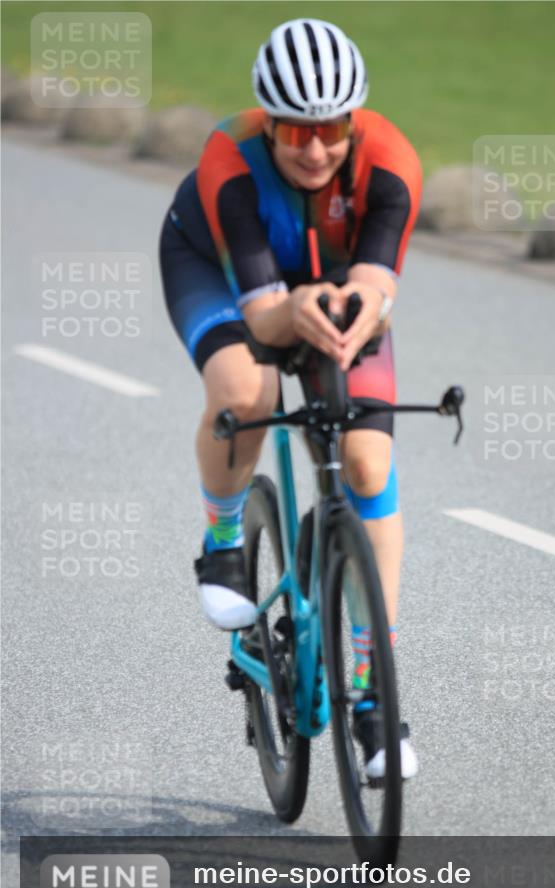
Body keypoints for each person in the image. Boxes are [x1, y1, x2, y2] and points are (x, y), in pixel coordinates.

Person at [159, 18, 422, 778]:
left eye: (332, 128)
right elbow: (265, 315)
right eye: (295, 131)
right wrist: (295, 313)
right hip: (214, 269)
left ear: (355, 119)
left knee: (369, 464)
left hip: (331, 286)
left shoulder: (392, 164)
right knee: (250, 384)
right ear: (267, 121)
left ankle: (374, 699)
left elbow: (375, 285)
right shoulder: (228, 163)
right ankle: (224, 544)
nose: (314, 149)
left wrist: (350, 315)